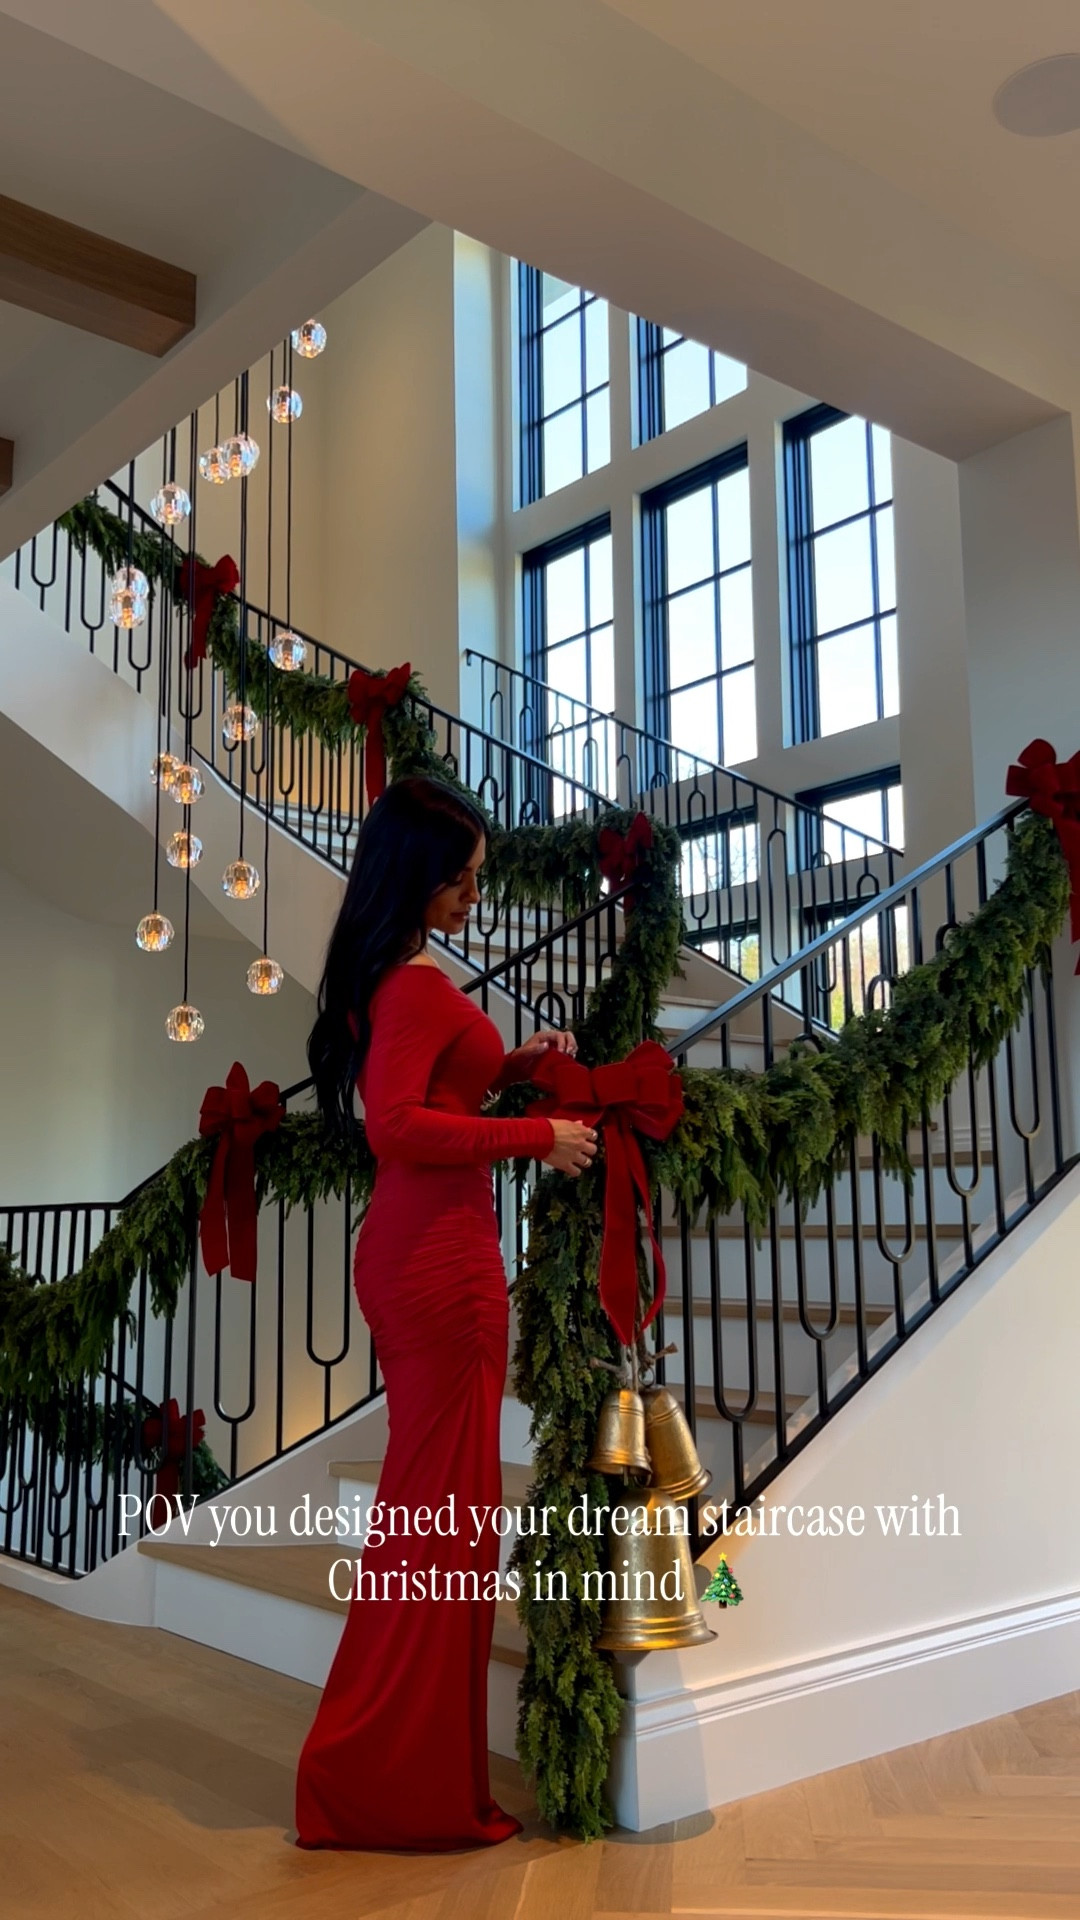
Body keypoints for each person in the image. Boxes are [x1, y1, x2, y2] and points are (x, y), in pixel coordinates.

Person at [294, 774, 597, 1851]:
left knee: (438, 1531)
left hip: (427, 1256)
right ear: (416, 875)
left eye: (477, 877)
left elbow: (440, 1094)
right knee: (437, 1535)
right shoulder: (414, 985)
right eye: (461, 878)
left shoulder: (404, 977)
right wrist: (537, 1137)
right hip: (439, 1268)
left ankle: (391, 1773)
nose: (475, 894)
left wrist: (517, 1066)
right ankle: (378, 1780)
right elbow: (397, 1126)